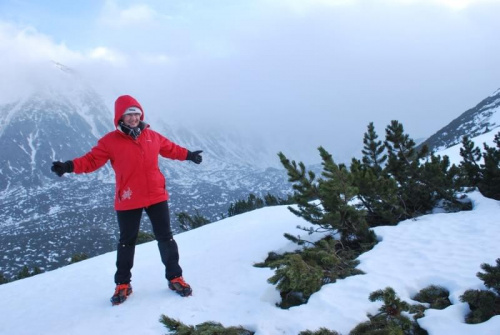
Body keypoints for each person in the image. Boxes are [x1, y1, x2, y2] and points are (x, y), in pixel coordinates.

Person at [51, 94, 203, 305]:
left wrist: (189, 155)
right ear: (120, 118)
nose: (133, 118)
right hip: (128, 198)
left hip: (156, 195)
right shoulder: (109, 142)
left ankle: (175, 277)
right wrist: (69, 166)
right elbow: (91, 160)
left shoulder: (152, 136)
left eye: (136, 114)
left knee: (166, 238)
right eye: (129, 114)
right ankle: (123, 283)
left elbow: (170, 149)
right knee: (126, 242)